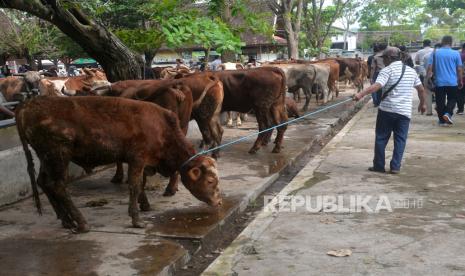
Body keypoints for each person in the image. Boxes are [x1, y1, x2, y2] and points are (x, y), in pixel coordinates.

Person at [354, 47, 427, 174]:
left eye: (384, 58)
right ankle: (395, 167)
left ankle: (379, 166)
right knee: (400, 140)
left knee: (381, 138)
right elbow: (421, 89)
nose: (383, 61)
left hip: (387, 111)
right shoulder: (411, 71)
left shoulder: (386, 71)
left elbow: (377, 86)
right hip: (404, 112)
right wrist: (423, 104)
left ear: (388, 58)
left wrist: (361, 94)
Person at [427, 35, 463, 126]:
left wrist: (428, 79)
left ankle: (442, 121)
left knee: (440, 102)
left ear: (442, 42)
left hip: (439, 82)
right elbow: (459, 69)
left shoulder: (435, 53)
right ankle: (447, 113)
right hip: (452, 82)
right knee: (452, 99)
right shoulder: (456, 53)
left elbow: (430, 67)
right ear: (451, 42)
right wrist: (460, 80)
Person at [457, 43, 465, 115]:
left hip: (462, 77)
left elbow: (458, 68)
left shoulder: (460, 55)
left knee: (460, 94)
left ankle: (460, 110)